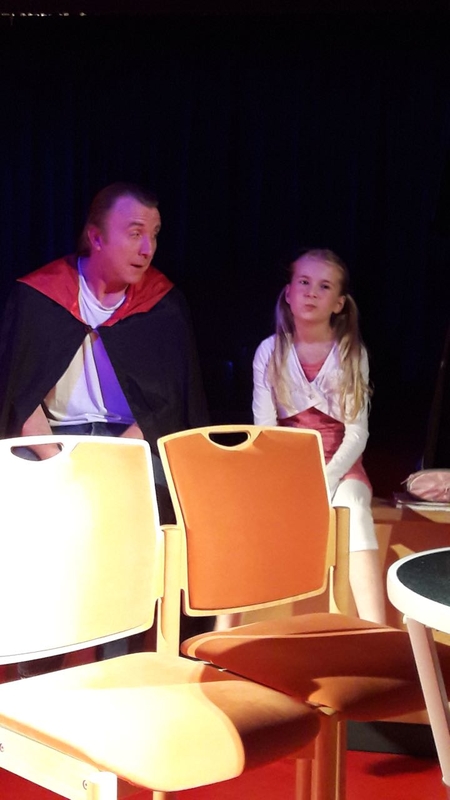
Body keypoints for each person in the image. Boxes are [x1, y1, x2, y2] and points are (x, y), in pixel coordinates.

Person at [0, 181, 211, 669]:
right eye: (135, 232)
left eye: (154, 234)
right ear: (96, 237)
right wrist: (59, 462)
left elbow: (164, 407)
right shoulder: (38, 297)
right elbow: (17, 395)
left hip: (132, 442)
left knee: (141, 511)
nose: (147, 248)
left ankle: (121, 665)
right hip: (52, 440)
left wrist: (114, 460)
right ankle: (37, 666)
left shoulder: (162, 304)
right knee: (33, 511)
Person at [252, 248, 386, 625]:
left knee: (352, 506)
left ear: (339, 303)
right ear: (288, 293)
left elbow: (357, 432)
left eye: (324, 286)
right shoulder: (269, 352)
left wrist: (326, 479)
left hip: (341, 468)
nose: (311, 292)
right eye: (304, 282)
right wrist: (291, 479)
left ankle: (375, 628)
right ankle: (235, 629)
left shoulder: (350, 353)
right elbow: (266, 431)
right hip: (289, 468)